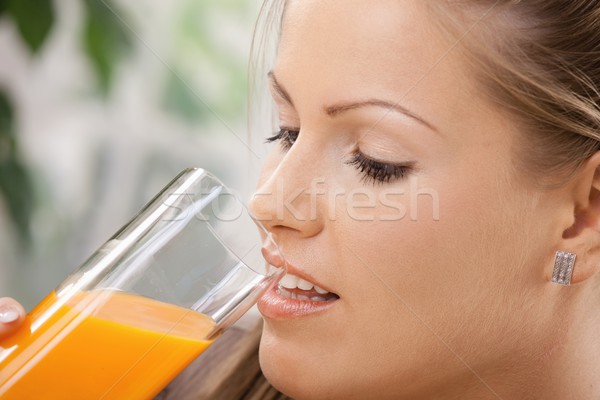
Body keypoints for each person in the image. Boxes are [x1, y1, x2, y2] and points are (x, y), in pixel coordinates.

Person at [3, 0, 600, 398]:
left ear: (583, 214)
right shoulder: (157, 381)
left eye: (376, 159)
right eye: (285, 130)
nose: (269, 201)